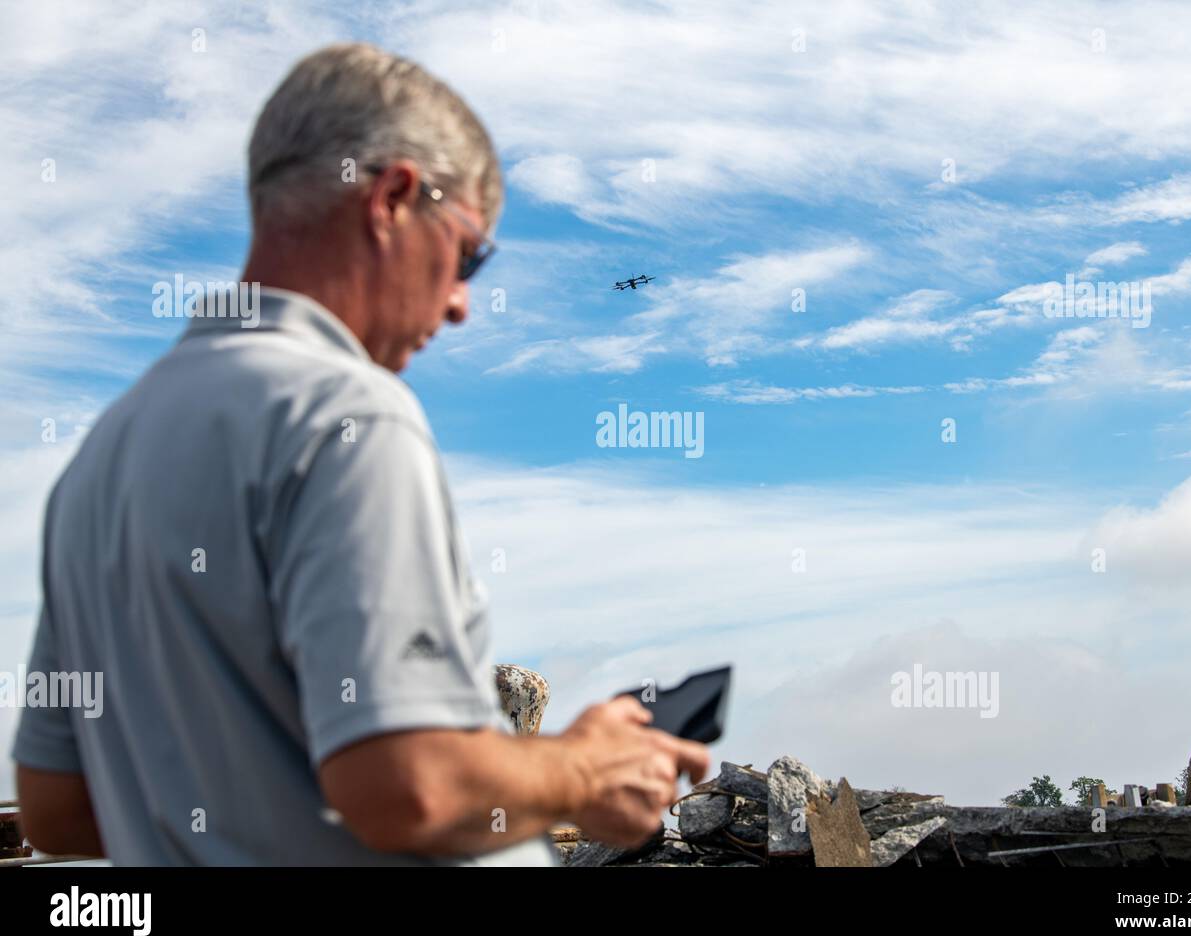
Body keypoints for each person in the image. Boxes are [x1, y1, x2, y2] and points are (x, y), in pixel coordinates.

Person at [13, 42, 709, 865]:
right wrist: (582, 766)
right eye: (469, 255)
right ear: (393, 199)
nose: (460, 306)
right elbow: (410, 785)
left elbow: (55, 810)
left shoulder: (99, 460)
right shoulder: (348, 416)